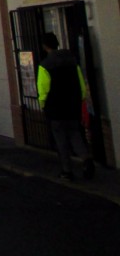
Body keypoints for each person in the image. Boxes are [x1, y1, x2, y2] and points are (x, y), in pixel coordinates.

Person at [37, 32, 94, 180]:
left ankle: (66, 171)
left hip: (55, 107)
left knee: (60, 139)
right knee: (75, 134)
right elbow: (82, 86)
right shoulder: (72, 62)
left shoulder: (45, 65)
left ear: (44, 46)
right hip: (72, 106)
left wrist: (43, 105)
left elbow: (43, 89)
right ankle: (86, 158)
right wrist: (80, 101)